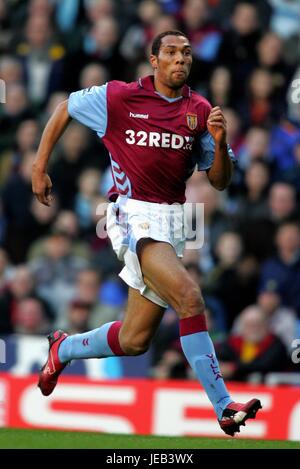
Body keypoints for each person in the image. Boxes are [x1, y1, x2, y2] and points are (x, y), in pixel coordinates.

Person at [32, 30, 262, 436]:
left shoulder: (200, 109)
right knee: (190, 298)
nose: (181, 60)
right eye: (171, 53)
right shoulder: (120, 97)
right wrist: (39, 167)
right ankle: (224, 406)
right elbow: (65, 107)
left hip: (174, 221)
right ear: (153, 60)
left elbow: (221, 181)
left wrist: (221, 142)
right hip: (130, 213)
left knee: (135, 339)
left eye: (186, 54)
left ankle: (62, 348)